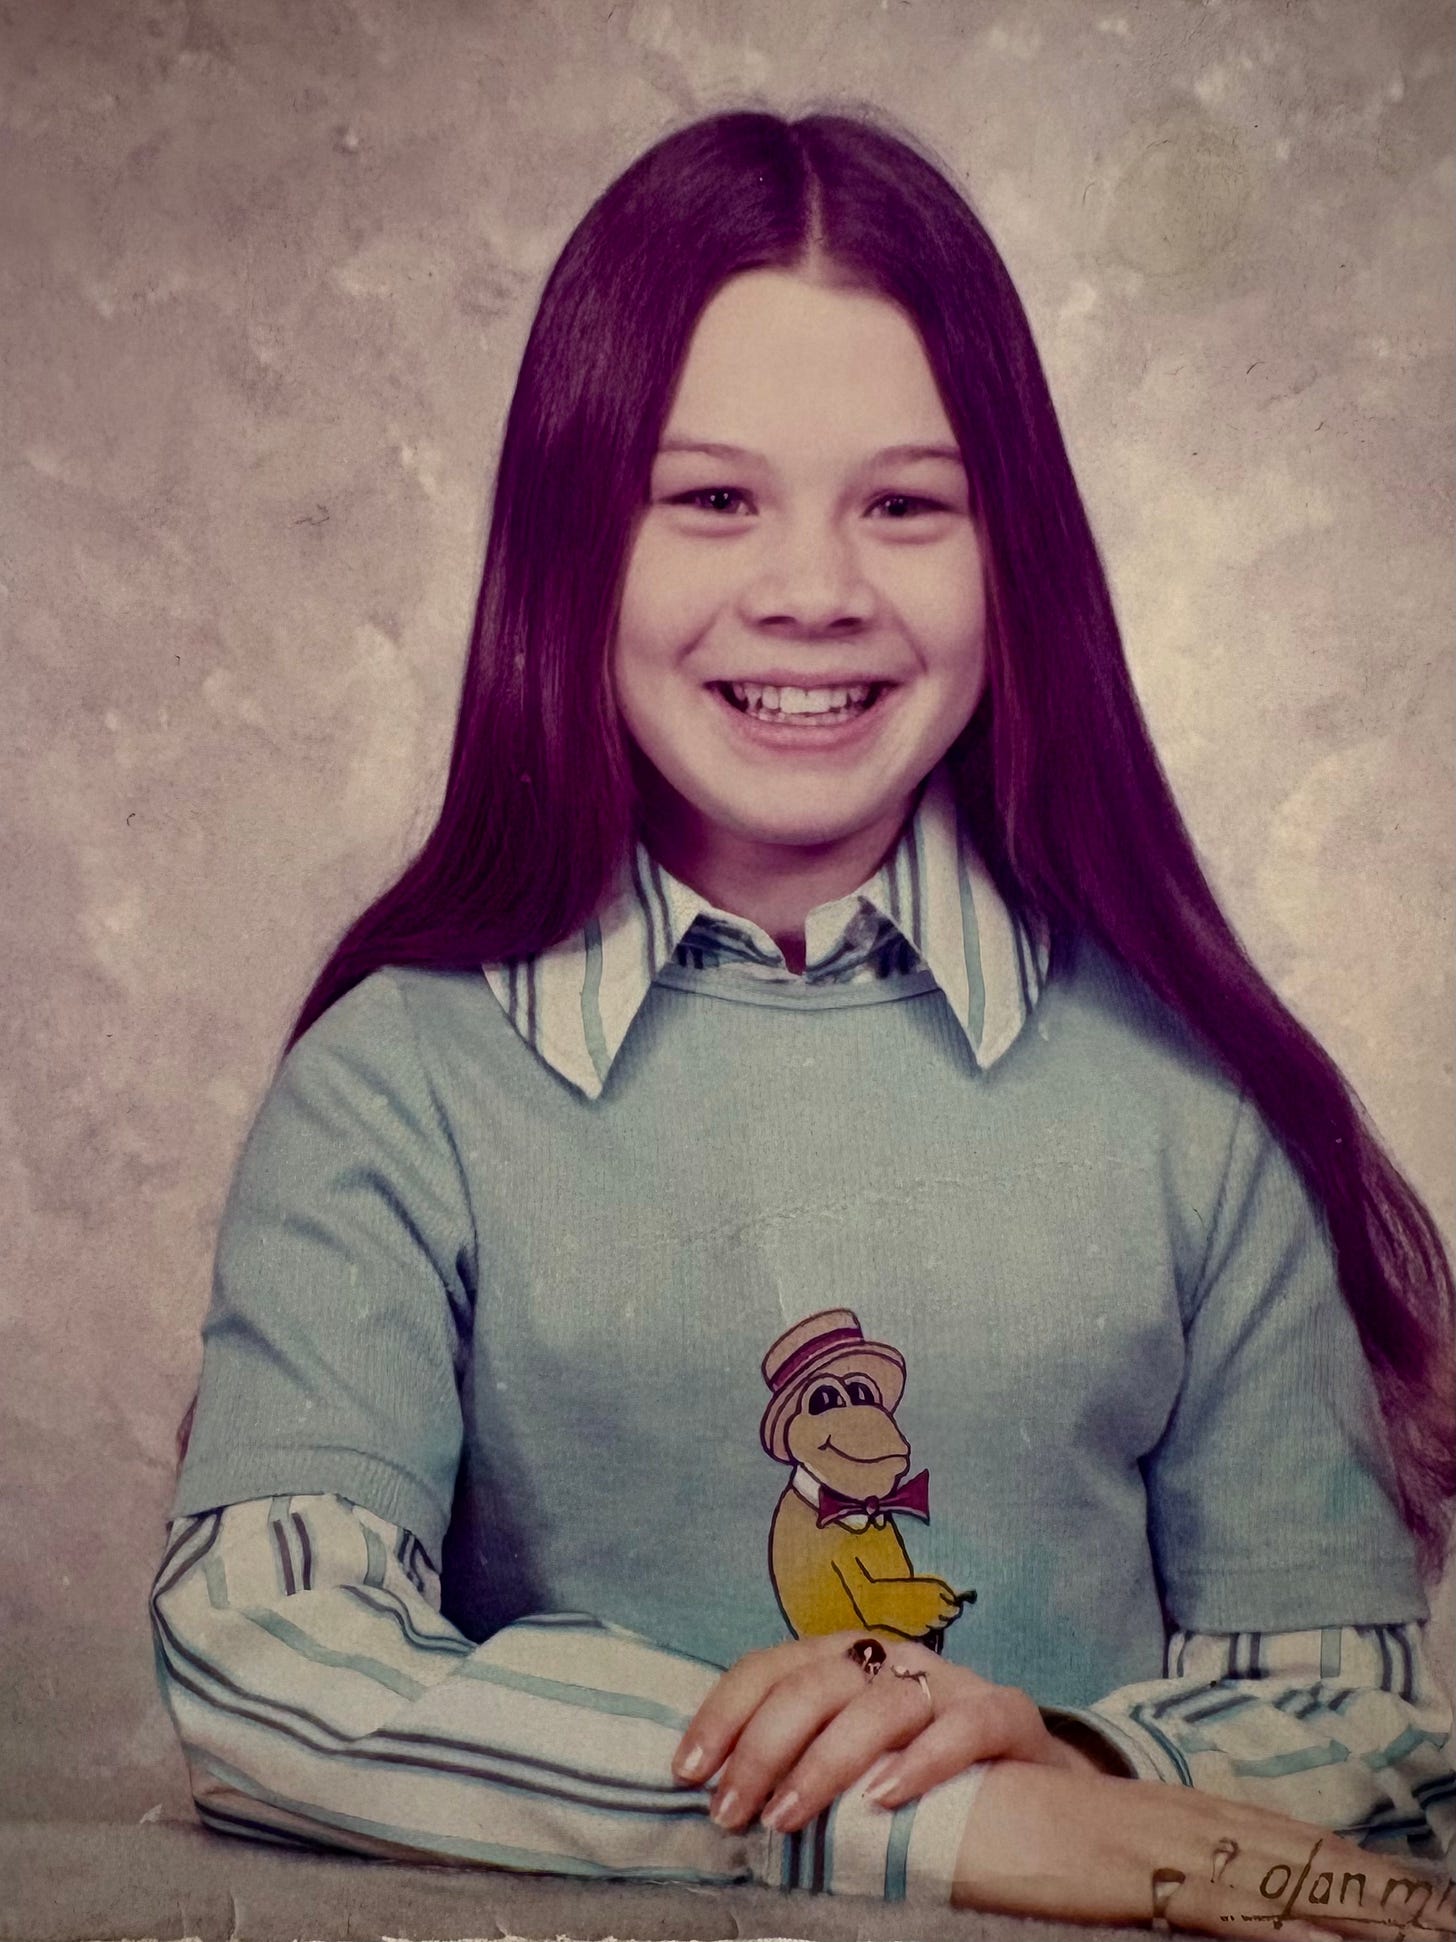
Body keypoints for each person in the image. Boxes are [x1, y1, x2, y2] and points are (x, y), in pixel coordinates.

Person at [151, 108, 1456, 1928]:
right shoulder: (395, 1085)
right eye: (712, 499)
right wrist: (904, 1817)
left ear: (1019, 561)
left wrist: (1069, 1766)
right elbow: (265, 1658)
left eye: (907, 504)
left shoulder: (1192, 1103)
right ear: (569, 544)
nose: (816, 590)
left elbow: (1366, 1737)